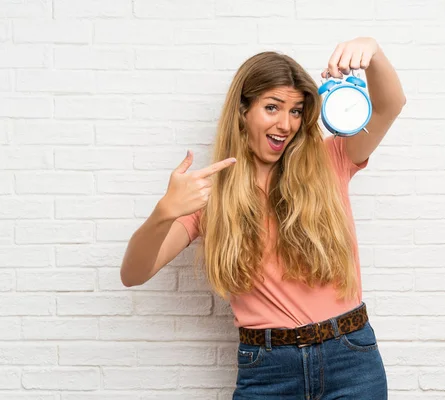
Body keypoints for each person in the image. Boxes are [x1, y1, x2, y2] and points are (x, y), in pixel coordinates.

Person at [120, 36, 406, 399]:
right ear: (243, 112)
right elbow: (133, 274)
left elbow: (390, 106)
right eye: (272, 107)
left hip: (350, 359)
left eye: (296, 111)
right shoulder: (211, 195)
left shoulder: (330, 159)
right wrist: (163, 213)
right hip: (269, 372)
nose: (286, 124)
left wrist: (373, 51)